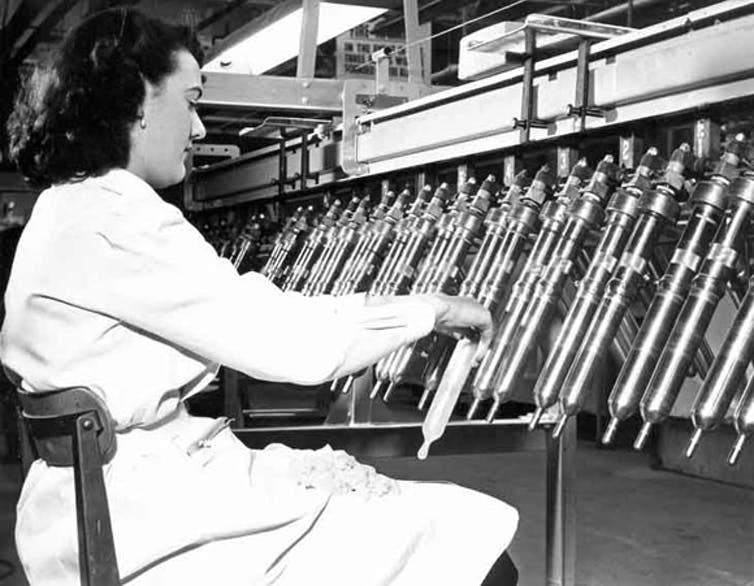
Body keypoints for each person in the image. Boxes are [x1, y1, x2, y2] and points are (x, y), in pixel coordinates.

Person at [1, 8, 519, 585]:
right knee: (467, 543)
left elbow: (255, 308)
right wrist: (432, 310)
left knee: (395, 509)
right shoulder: (119, 218)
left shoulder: (66, 206)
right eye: (191, 101)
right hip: (148, 517)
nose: (198, 130)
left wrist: (394, 307)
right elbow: (294, 347)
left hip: (92, 502)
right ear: (138, 101)